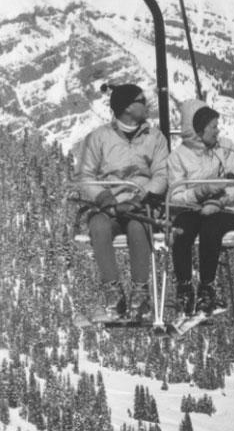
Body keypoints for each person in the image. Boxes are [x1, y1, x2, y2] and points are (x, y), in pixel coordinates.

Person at [72, 83, 168, 322]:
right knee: (99, 227)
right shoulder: (99, 138)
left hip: (142, 203)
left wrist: (140, 198)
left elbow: (162, 174)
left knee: (138, 226)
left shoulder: (154, 137)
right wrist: (107, 201)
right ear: (126, 107)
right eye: (140, 101)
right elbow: (85, 176)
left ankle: (140, 291)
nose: (146, 105)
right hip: (110, 205)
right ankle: (113, 291)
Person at [167, 99, 234, 317]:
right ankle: (184, 286)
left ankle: (206, 288)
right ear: (199, 130)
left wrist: (219, 201)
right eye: (213, 127)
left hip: (225, 209)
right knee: (180, 230)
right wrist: (200, 193)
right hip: (193, 209)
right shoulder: (179, 157)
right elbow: (175, 195)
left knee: (211, 230)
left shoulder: (226, 147)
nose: (217, 131)